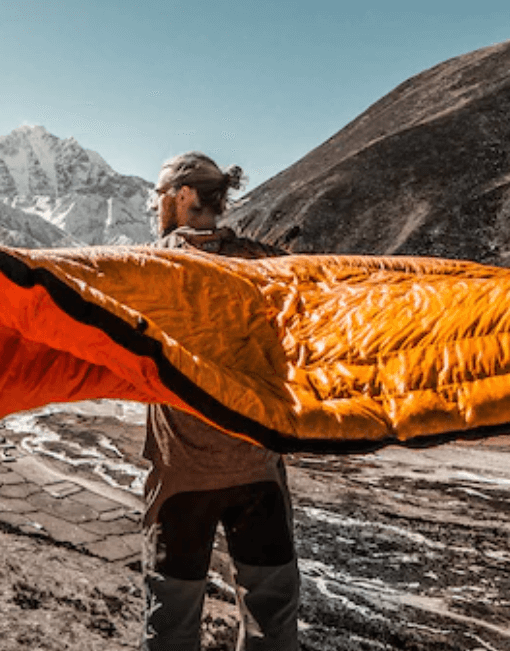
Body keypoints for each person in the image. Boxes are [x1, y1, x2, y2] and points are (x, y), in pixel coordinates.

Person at [141, 152, 300, 650]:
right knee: (272, 623)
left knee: (172, 625)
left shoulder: (149, 267)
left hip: (182, 479)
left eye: (159, 193)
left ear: (183, 196)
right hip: (258, 470)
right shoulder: (268, 265)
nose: (154, 203)